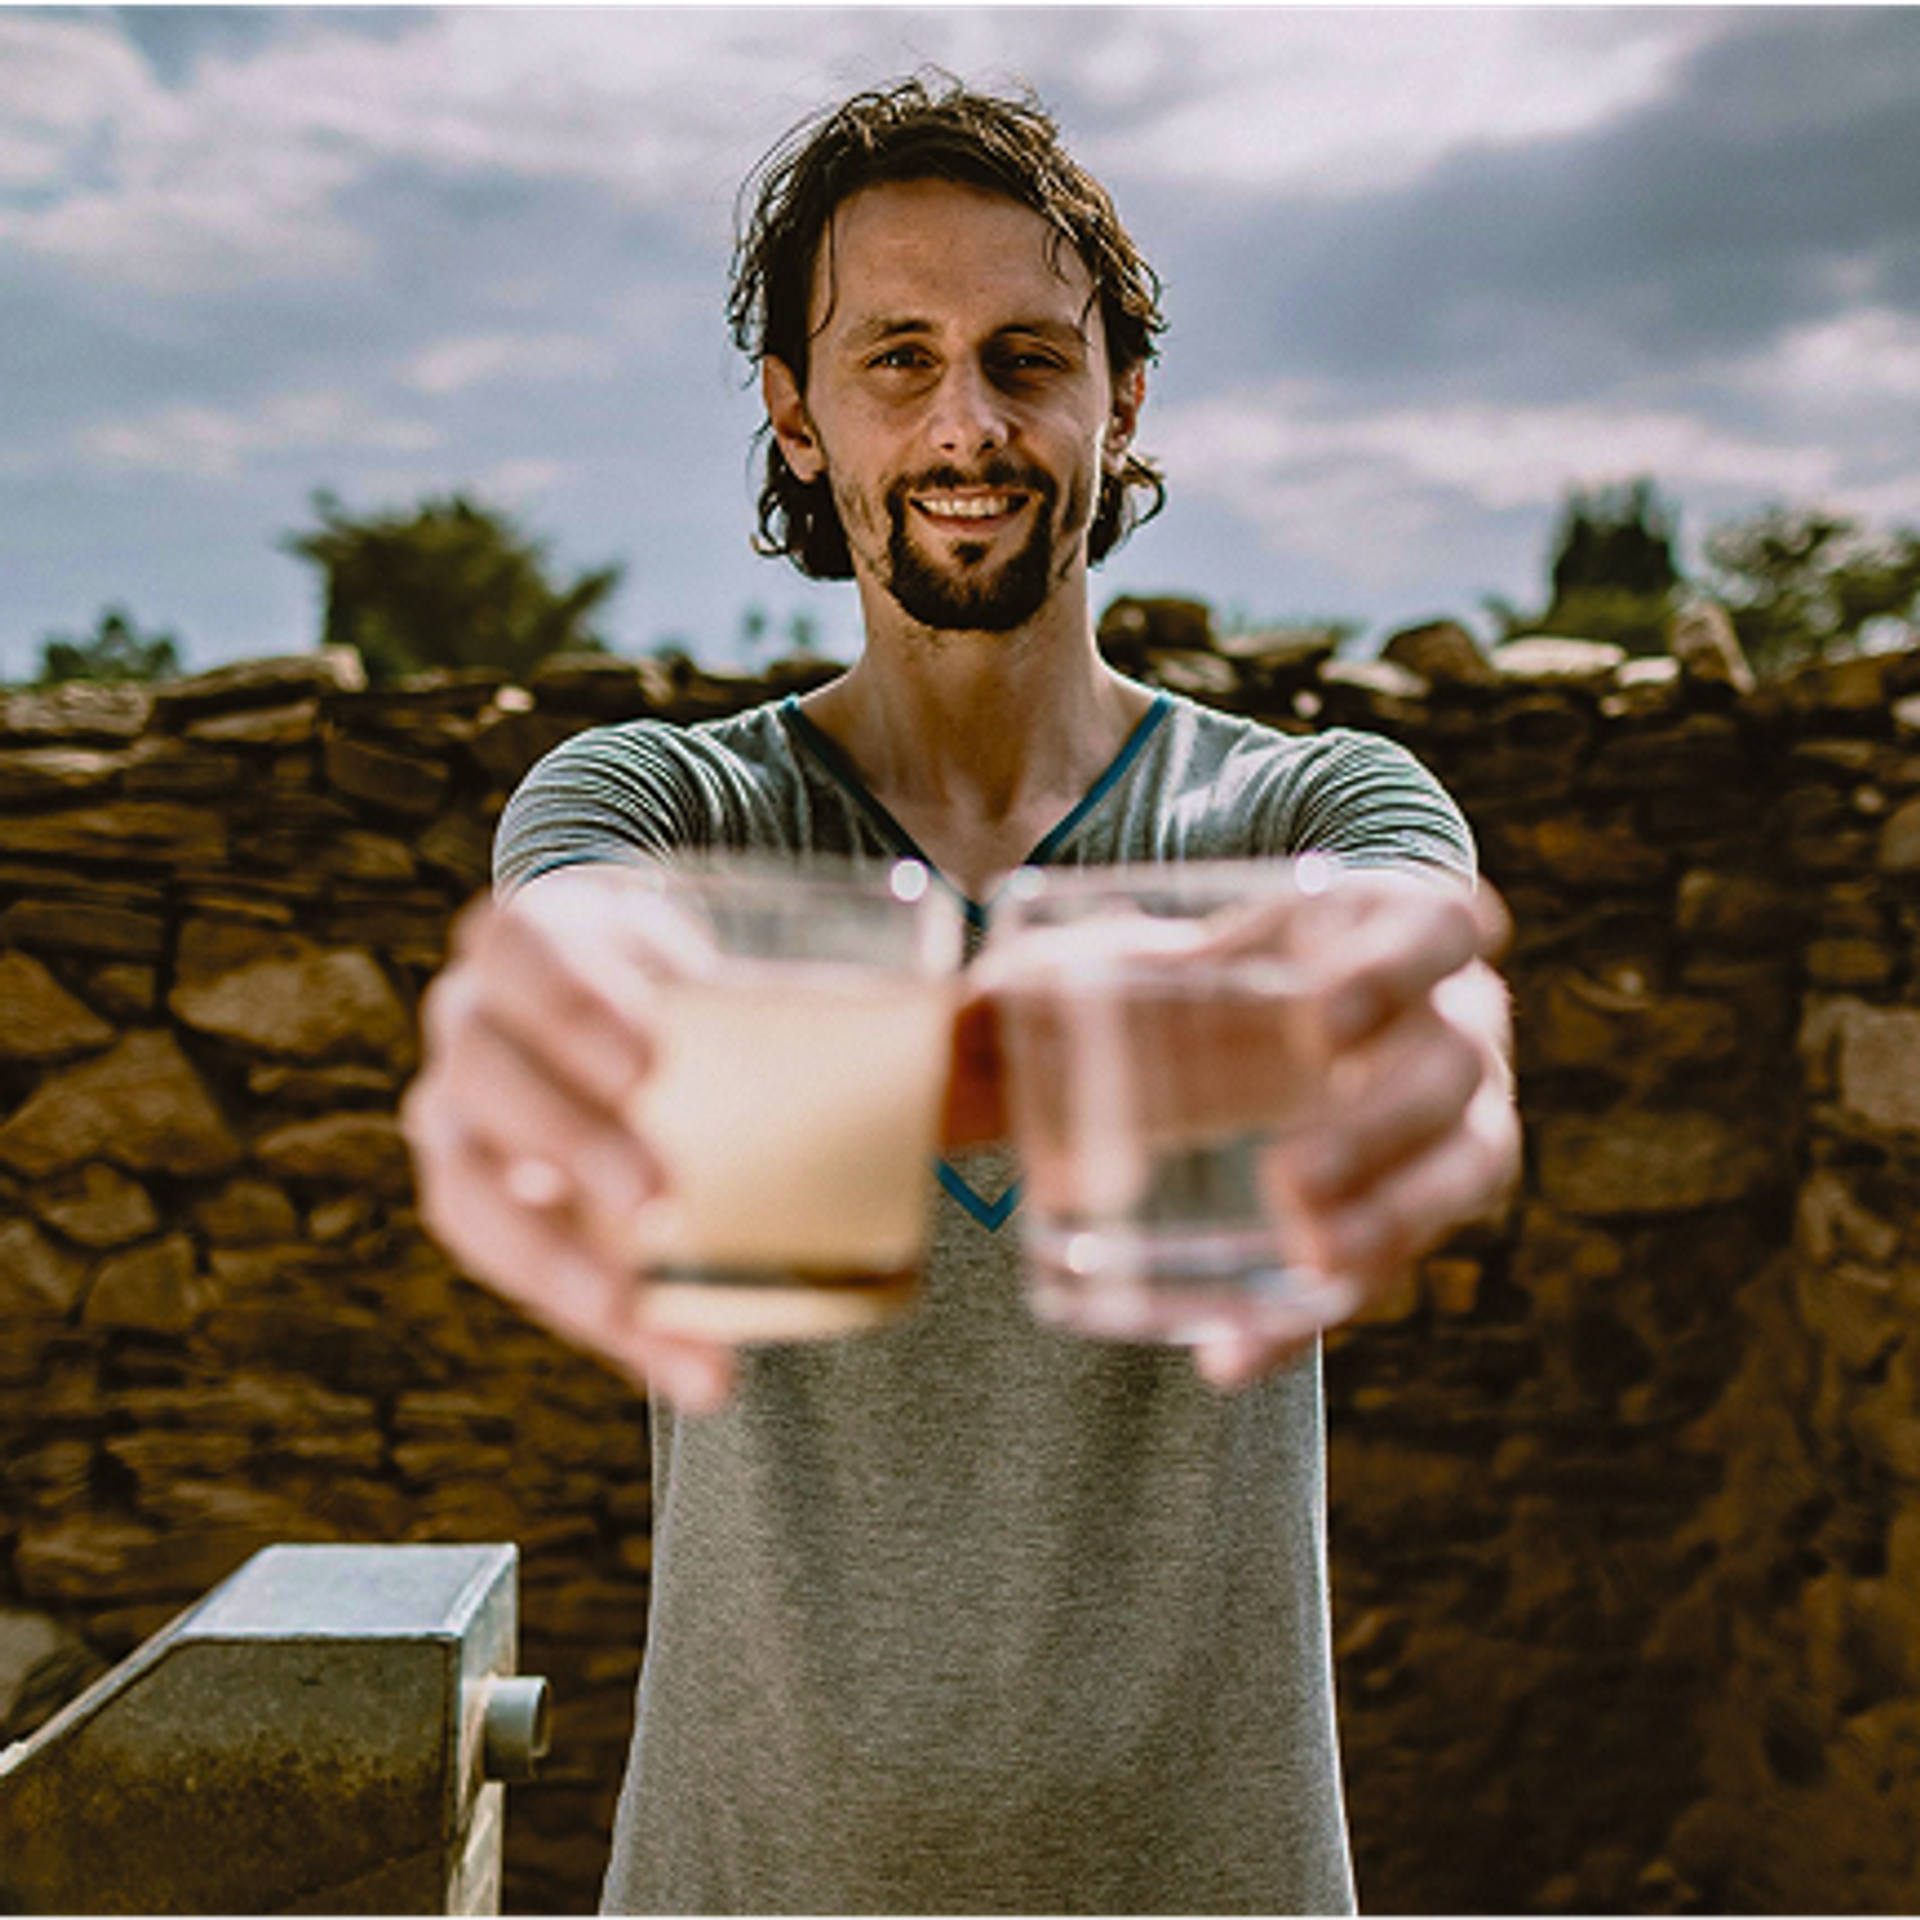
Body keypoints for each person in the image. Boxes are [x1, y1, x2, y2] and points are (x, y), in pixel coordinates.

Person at [402, 75, 1519, 1919]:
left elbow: (1401, 963)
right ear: (795, 412)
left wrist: (1414, 1035)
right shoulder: (664, 805)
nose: (969, 423)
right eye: (896, 360)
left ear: (1121, 400)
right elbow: (596, 955)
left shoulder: (1312, 808)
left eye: (1027, 358)